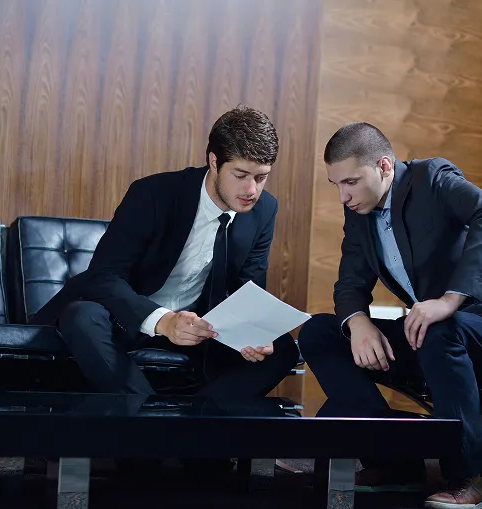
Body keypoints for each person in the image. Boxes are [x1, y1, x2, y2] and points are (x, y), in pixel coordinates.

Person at [297, 122, 482, 509]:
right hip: (434, 333)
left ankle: (472, 478)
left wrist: (449, 300)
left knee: (438, 327)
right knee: (319, 332)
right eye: (336, 185)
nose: (343, 196)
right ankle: (395, 461)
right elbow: (350, 281)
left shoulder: (432, 177)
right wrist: (359, 324)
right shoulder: (359, 211)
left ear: (384, 166)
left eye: (351, 182)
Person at [31, 104, 299, 400]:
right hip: (126, 317)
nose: (251, 190)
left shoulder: (263, 210)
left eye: (261, 177)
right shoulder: (153, 194)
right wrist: (163, 321)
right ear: (214, 162)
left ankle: (200, 416)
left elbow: (247, 290)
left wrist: (254, 332)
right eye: (241, 175)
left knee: (282, 348)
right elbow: (104, 275)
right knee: (82, 316)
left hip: (196, 328)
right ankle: (154, 420)